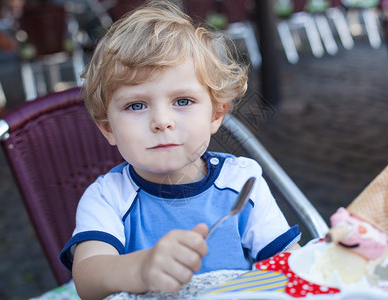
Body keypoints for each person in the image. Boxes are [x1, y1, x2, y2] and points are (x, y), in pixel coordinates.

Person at [60, 1, 301, 299]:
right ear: (108, 128)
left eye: (183, 101)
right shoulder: (108, 198)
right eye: (136, 105)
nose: (162, 121)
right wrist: (139, 268)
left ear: (215, 114)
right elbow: (88, 279)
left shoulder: (241, 183)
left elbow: (289, 264)